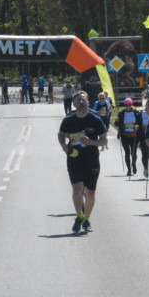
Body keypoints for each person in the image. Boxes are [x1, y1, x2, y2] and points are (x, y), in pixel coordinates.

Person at [57, 91, 108, 233]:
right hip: (74, 159)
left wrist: (90, 141)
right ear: (73, 104)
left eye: (83, 99)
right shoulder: (69, 120)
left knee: (90, 193)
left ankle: (86, 219)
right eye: (78, 100)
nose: (81, 102)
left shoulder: (95, 119)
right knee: (77, 190)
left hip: (91, 160)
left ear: (88, 103)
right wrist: (64, 146)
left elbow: (104, 140)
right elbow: (60, 135)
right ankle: (79, 216)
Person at [114, 97, 143, 176]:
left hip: (134, 136)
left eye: (129, 104)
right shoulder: (121, 113)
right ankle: (129, 170)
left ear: (132, 104)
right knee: (127, 153)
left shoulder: (136, 112)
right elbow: (117, 125)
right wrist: (116, 121)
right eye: (126, 104)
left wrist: (137, 126)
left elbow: (140, 123)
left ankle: (133, 165)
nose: (127, 106)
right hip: (124, 136)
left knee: (133, 153)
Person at [139, 98, 149, 178]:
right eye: (148, 105)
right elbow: (138, 123)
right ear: (146, 106)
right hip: (144, 137)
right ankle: (145, 168)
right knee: (145, 155)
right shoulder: (142, 114)